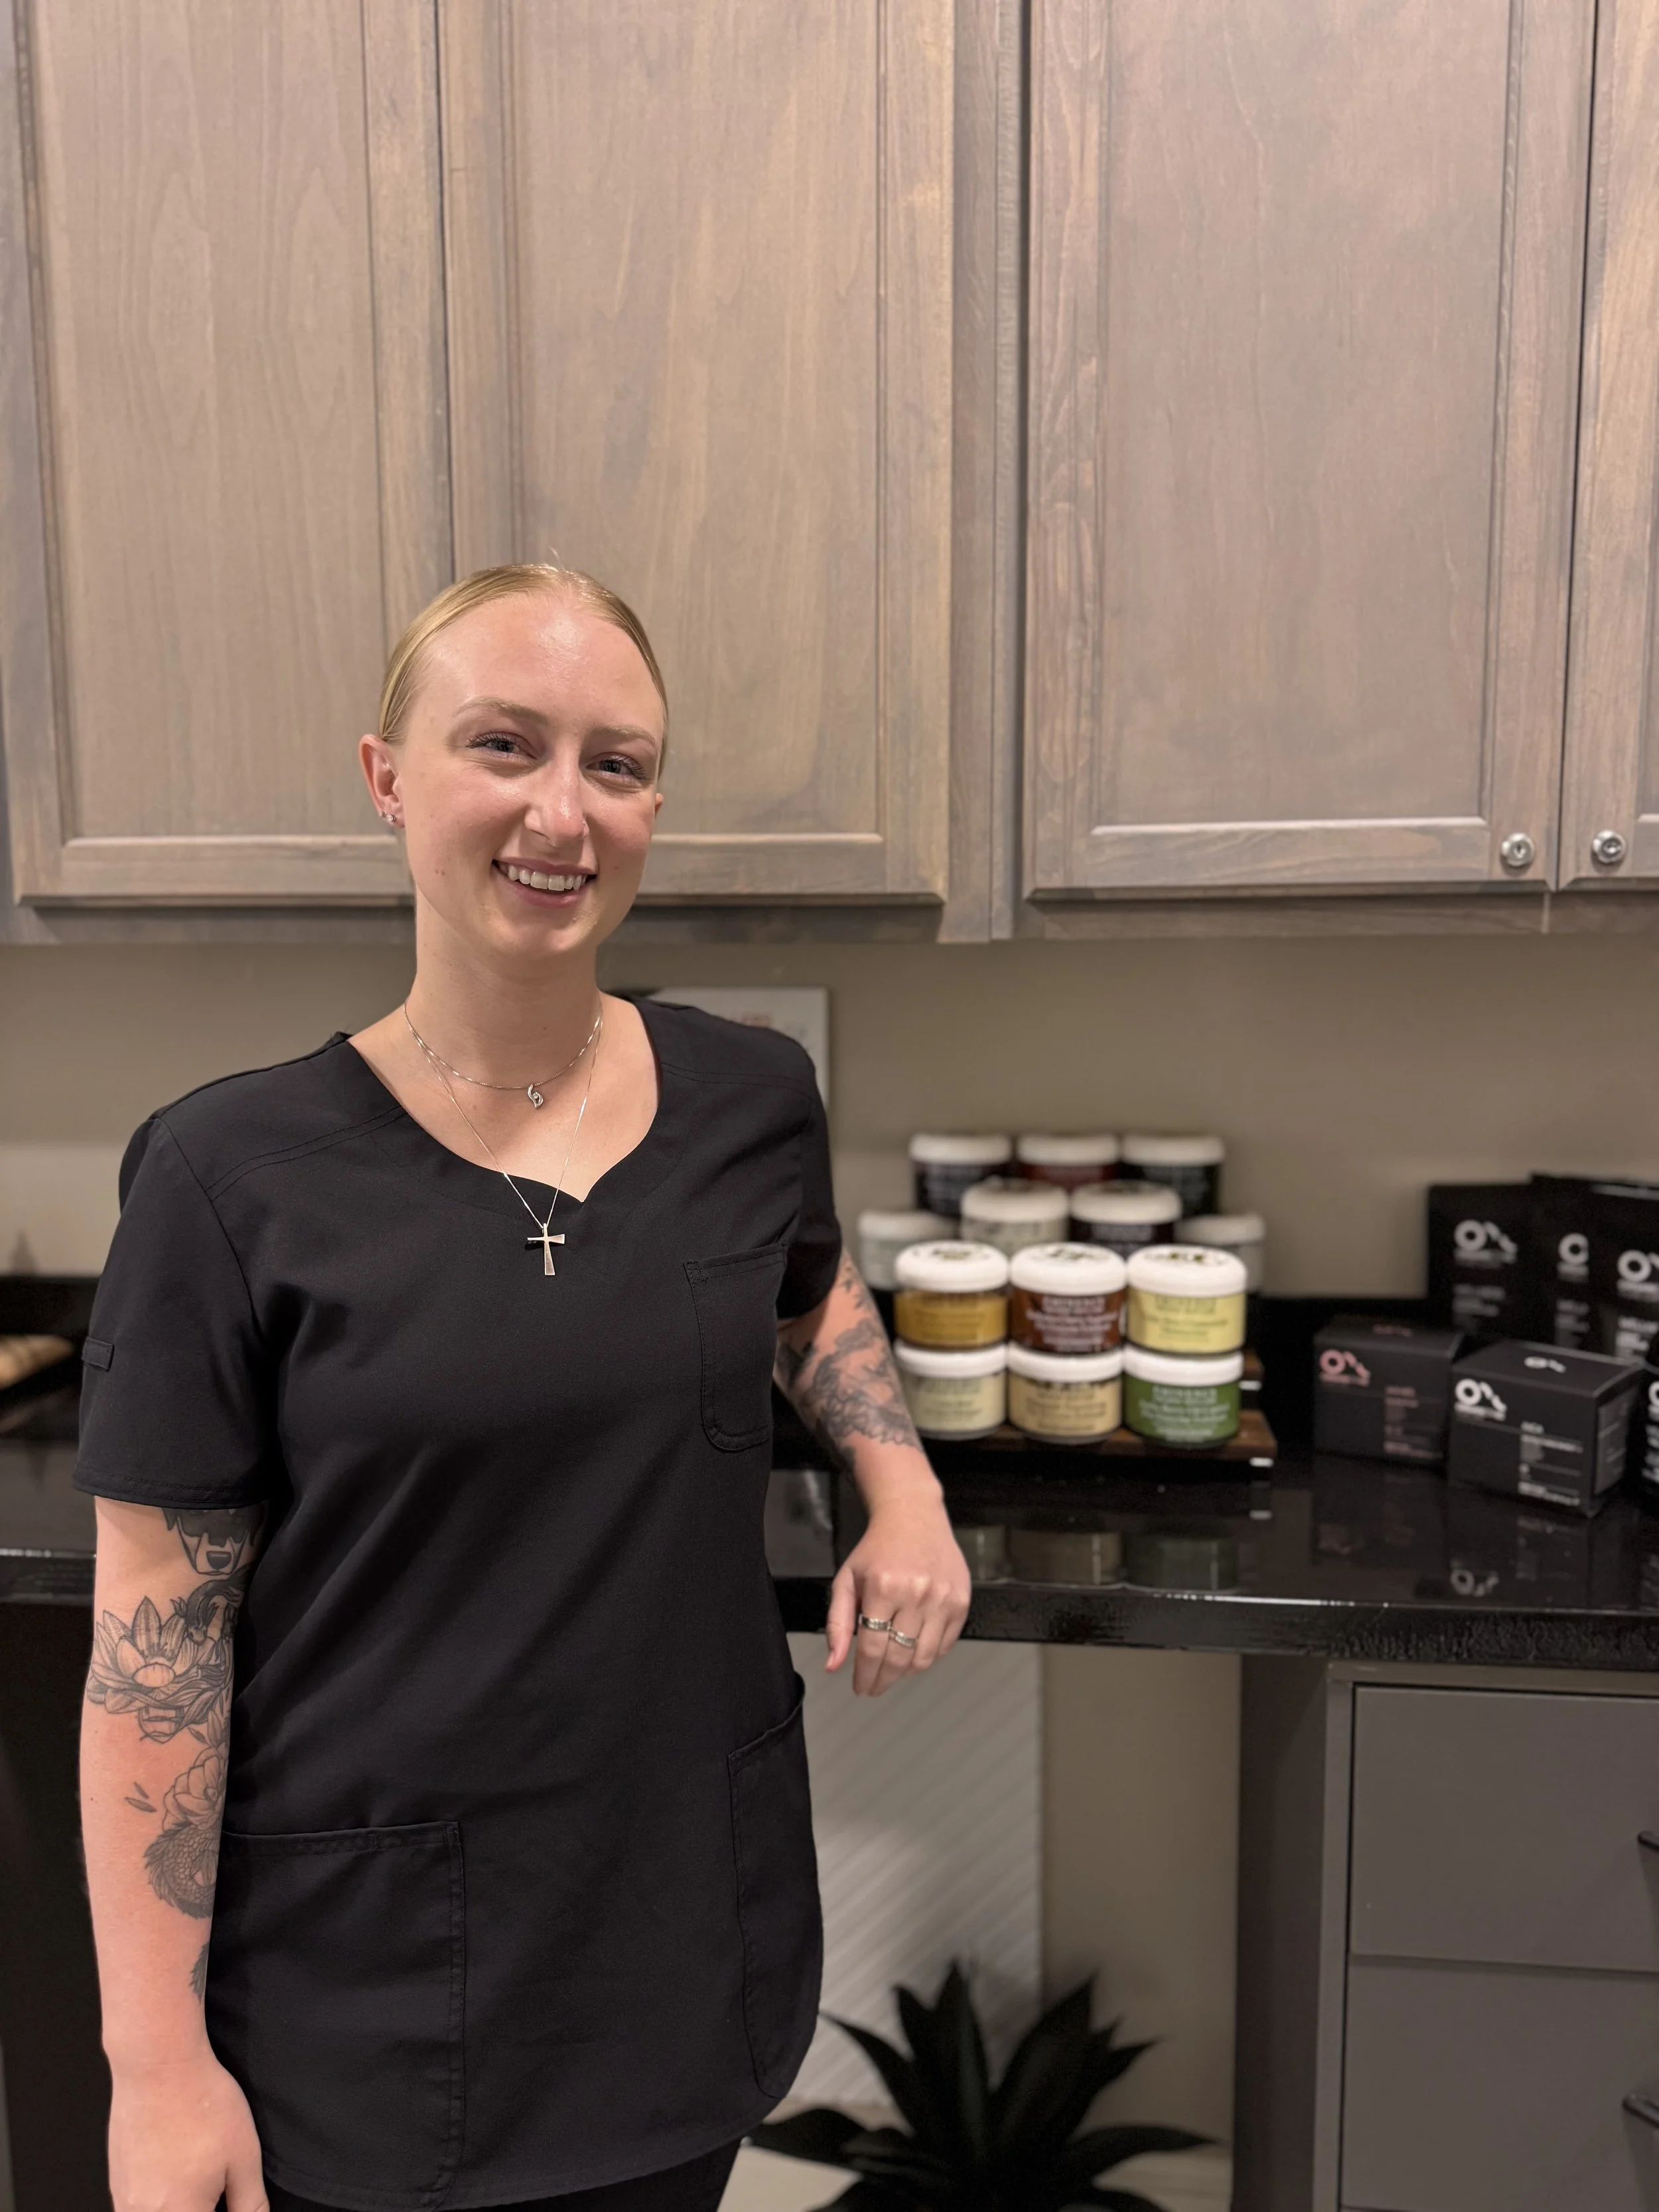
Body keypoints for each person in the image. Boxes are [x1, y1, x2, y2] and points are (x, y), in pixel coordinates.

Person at [76, 565, 972, 2212]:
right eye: (504, 743)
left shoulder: (750, 1096)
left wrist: (900, 1486)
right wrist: (155, 2067)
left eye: (615, 764)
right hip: (362, 1990)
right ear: (388, 776)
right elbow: (155, 1651)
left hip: (681, 1947)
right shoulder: (226, 1176)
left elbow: (806, 1288)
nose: (562, 812)